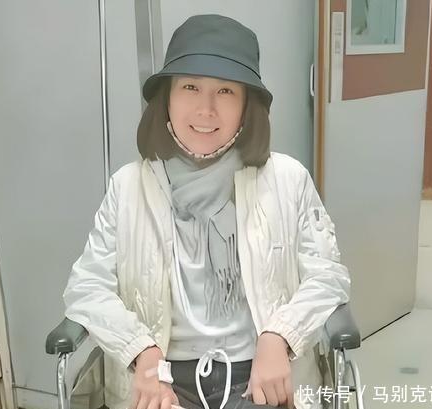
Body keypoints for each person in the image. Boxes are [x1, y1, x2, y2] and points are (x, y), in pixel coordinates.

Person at [63, 14, 350, 409]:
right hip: (160, 380)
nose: (206, 109)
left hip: (262, 377)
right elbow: (87, 287)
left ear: (247, 106)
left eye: (226, 91)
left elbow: (328, 276)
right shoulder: (128, 187)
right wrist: (140, 352)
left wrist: (280, 336)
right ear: (166, 98)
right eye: (190, 87)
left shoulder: (288, 180)